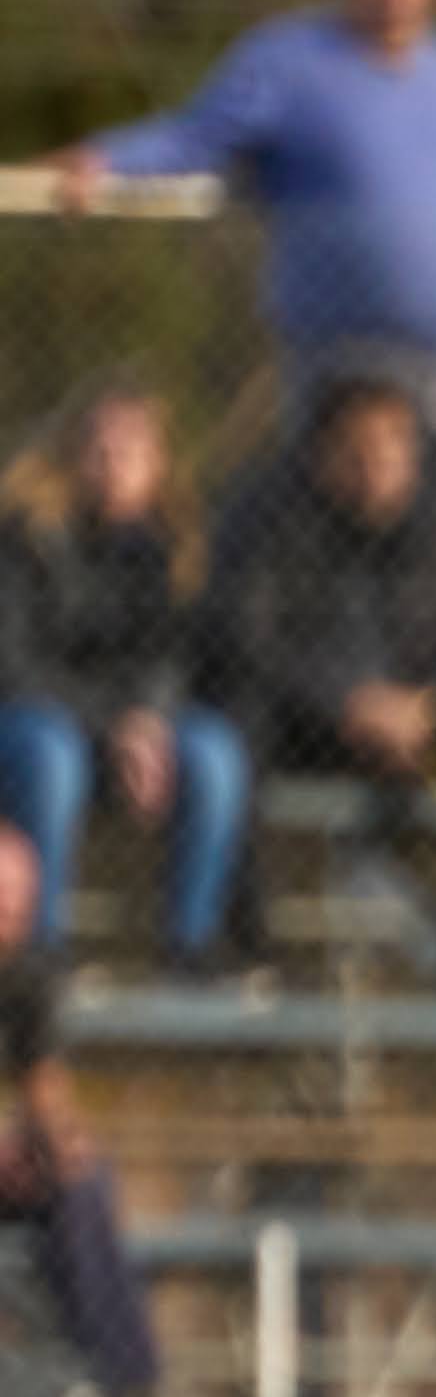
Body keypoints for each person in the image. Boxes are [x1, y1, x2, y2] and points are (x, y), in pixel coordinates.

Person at [47, 0, 436, 512]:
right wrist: (106, 160)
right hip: (327, 351)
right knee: (312, 523)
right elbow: (194, 137)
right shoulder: (285, 63)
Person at [200, 377, 436, 992]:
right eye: (358, 450)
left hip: (419, 730)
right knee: (235, 726)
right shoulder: (275, 527)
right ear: (323, 457)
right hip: (312, 728)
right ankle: (252, 942)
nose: (377, 466)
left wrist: (429, 705)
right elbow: (251, 643)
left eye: (393, 449)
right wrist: (347, 701)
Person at [0, 382, 255, 974]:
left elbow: (180, 656)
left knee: (215, 754)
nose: (113, 463)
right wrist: (112, 723)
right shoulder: (25, 537)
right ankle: (43, 950)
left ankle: (191, 945)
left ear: (160, 464)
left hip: (139, 728)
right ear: (71, 455)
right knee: (51, 754)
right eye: (98, 446)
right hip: (40, 723)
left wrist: (147, 721)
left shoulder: (178, 547)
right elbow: (14, 666)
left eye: (132, 449)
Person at [0, 823, 162, 1397]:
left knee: (81, 1178)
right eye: (0, 894)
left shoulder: (24, 979)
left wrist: (55, 1141)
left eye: (20, 896)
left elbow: (44, 1090)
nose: (10, 909)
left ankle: (124, 1388)